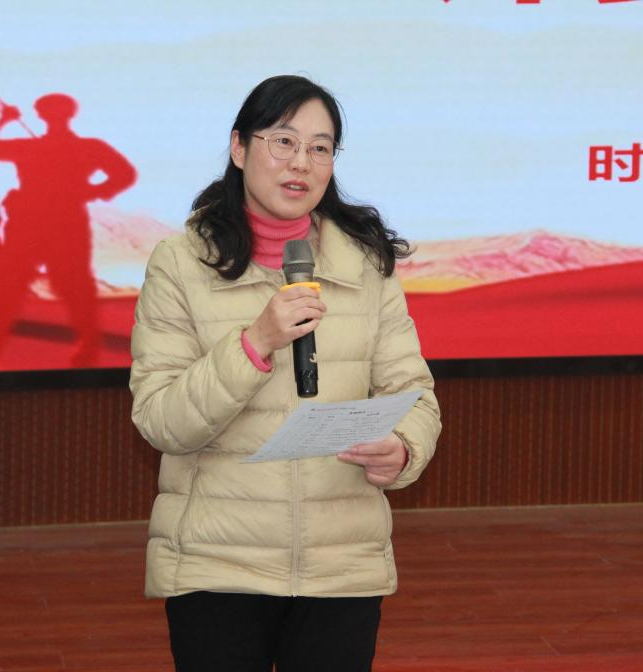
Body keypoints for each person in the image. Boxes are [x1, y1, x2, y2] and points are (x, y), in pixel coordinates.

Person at [129, 75, 441, 672]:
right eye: (284, 141)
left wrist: (403, 449)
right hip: (218, 562)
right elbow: (161, 420)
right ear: (239, 148)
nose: (302, 163)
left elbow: (413, 393)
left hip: (341, 564)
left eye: (320, 148)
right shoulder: (180, 264)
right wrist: (255, 343)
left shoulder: (365, 264)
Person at [0, 93, 136, 366]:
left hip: (55, 222)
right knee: (25, 282)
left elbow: (123, 174)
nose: (51, 115)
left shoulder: (62, 147)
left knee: (68, 284)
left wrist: (3, 121)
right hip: (38, 222)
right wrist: (92, 191)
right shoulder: (65, 147)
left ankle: (87, 345)